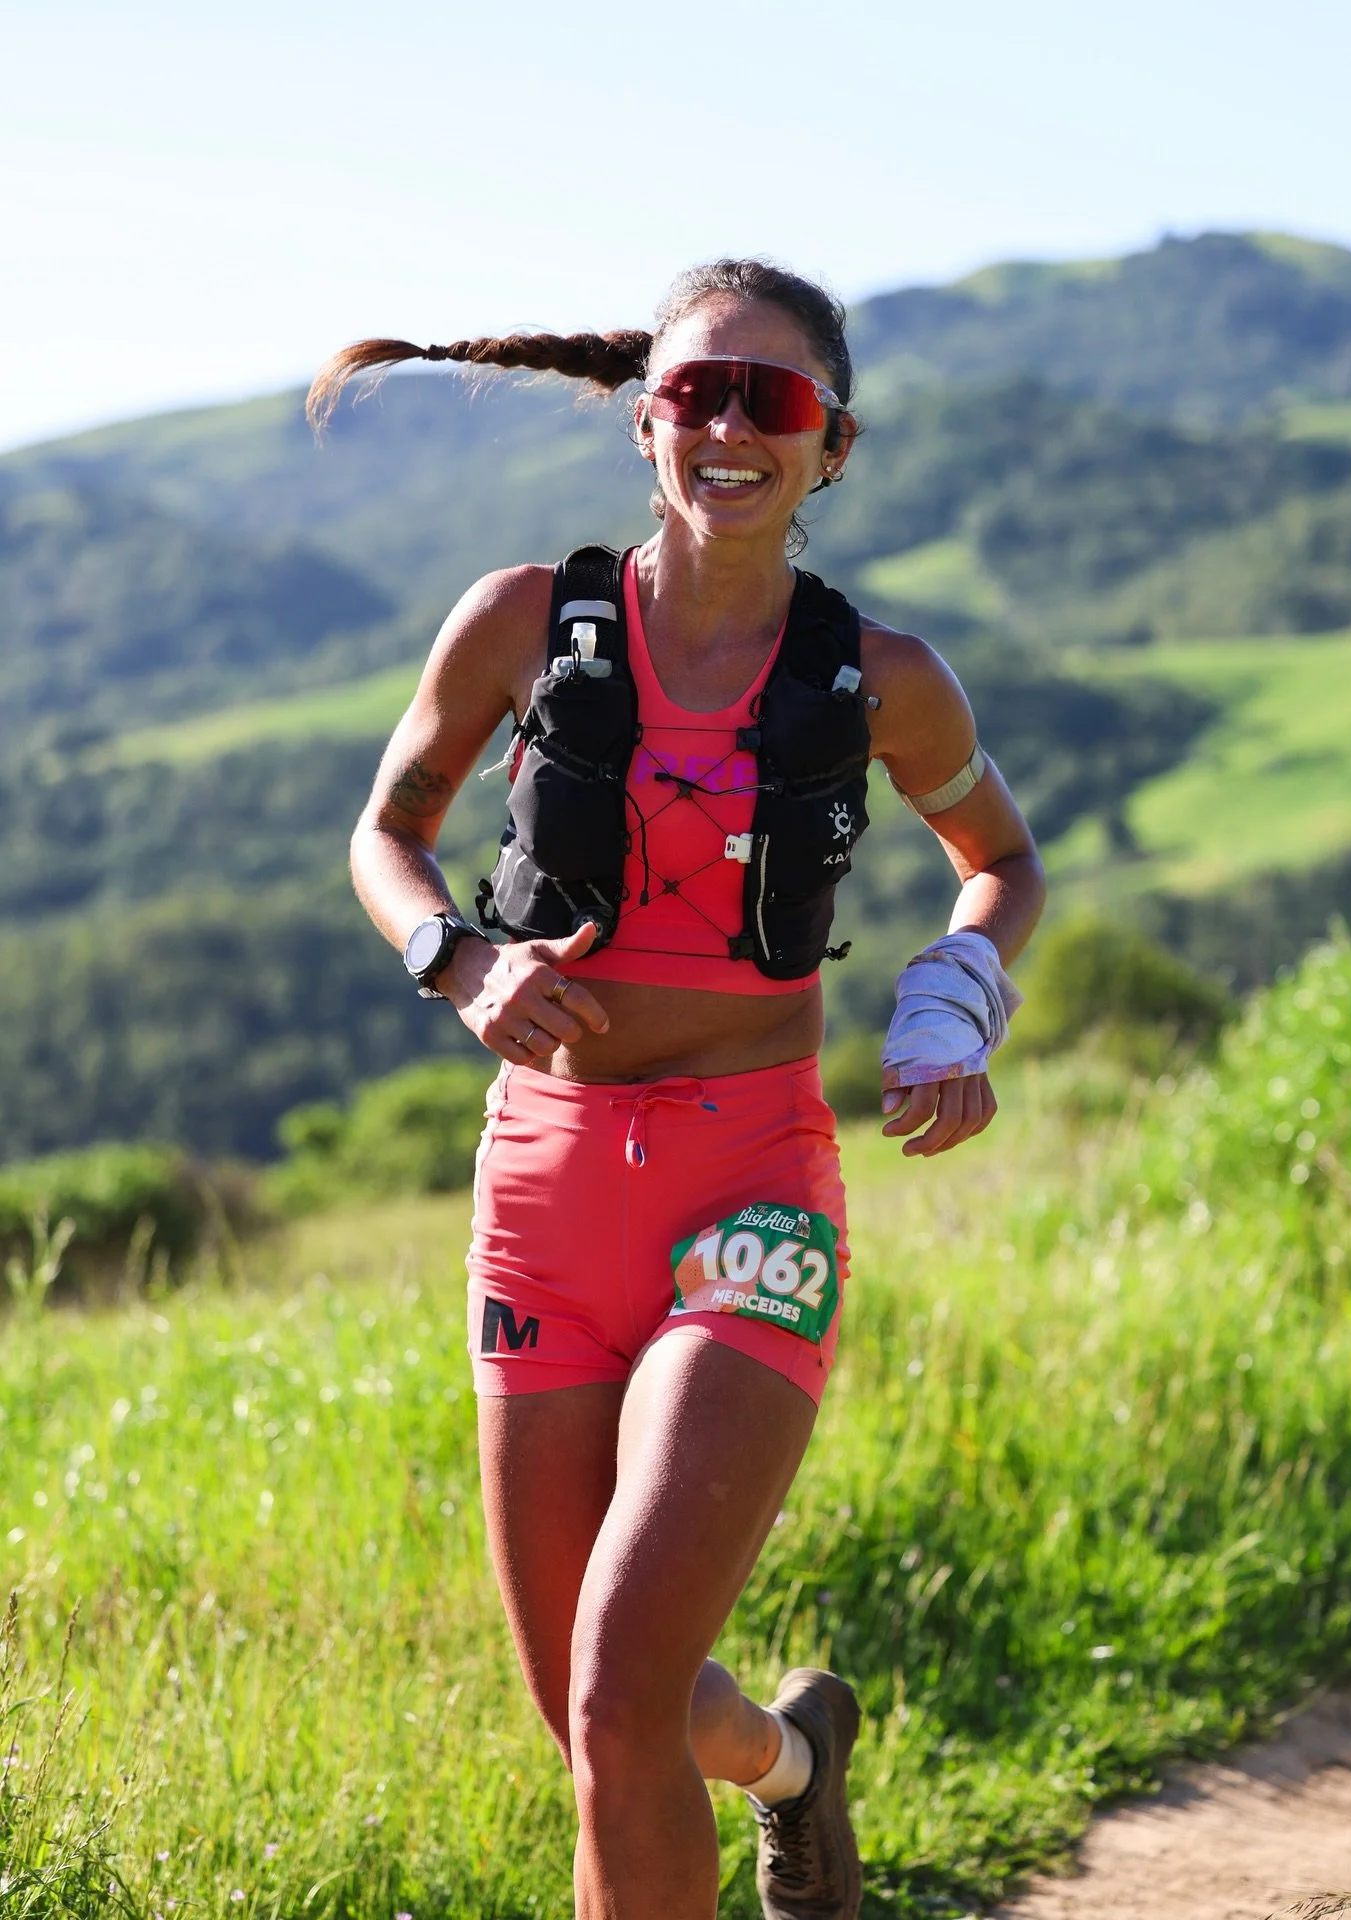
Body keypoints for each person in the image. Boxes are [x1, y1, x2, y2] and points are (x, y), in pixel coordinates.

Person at [308, 259, 1045, 1920]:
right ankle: (797, 1766)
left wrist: (952, 999)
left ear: (830, 445)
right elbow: (388, 830)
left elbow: (998, 860)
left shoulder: (884, 679)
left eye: (770, 401)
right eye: (697, 393)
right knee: (590, 1712)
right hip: (543, 1196)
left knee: (625, 1690)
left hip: (754, 1187)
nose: (729, 427)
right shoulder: (518, 620)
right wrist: (456, 958)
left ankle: (776, 1770)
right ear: (646, 422)